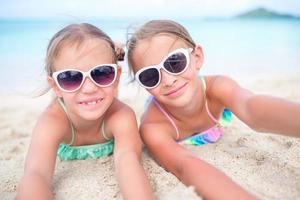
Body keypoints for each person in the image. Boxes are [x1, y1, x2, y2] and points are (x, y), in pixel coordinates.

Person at [126, 19, 300, 199]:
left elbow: (251, 108)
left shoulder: (217, 88)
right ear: (143, 85)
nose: (169, 80)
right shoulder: (154, 126)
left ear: (197, 57)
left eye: (175, 62)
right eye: (149, 76)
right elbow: (185, 165)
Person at [18, 23, 153, 200]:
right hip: (74, 109)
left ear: (117, 76)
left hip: (102, 102)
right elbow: (36, 174)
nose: (89, 88)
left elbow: (128, 163)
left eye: (102, 73)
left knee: (97, 96)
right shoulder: (53, 121)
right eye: (70, 78)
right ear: (55, 86)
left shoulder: (121, 116)